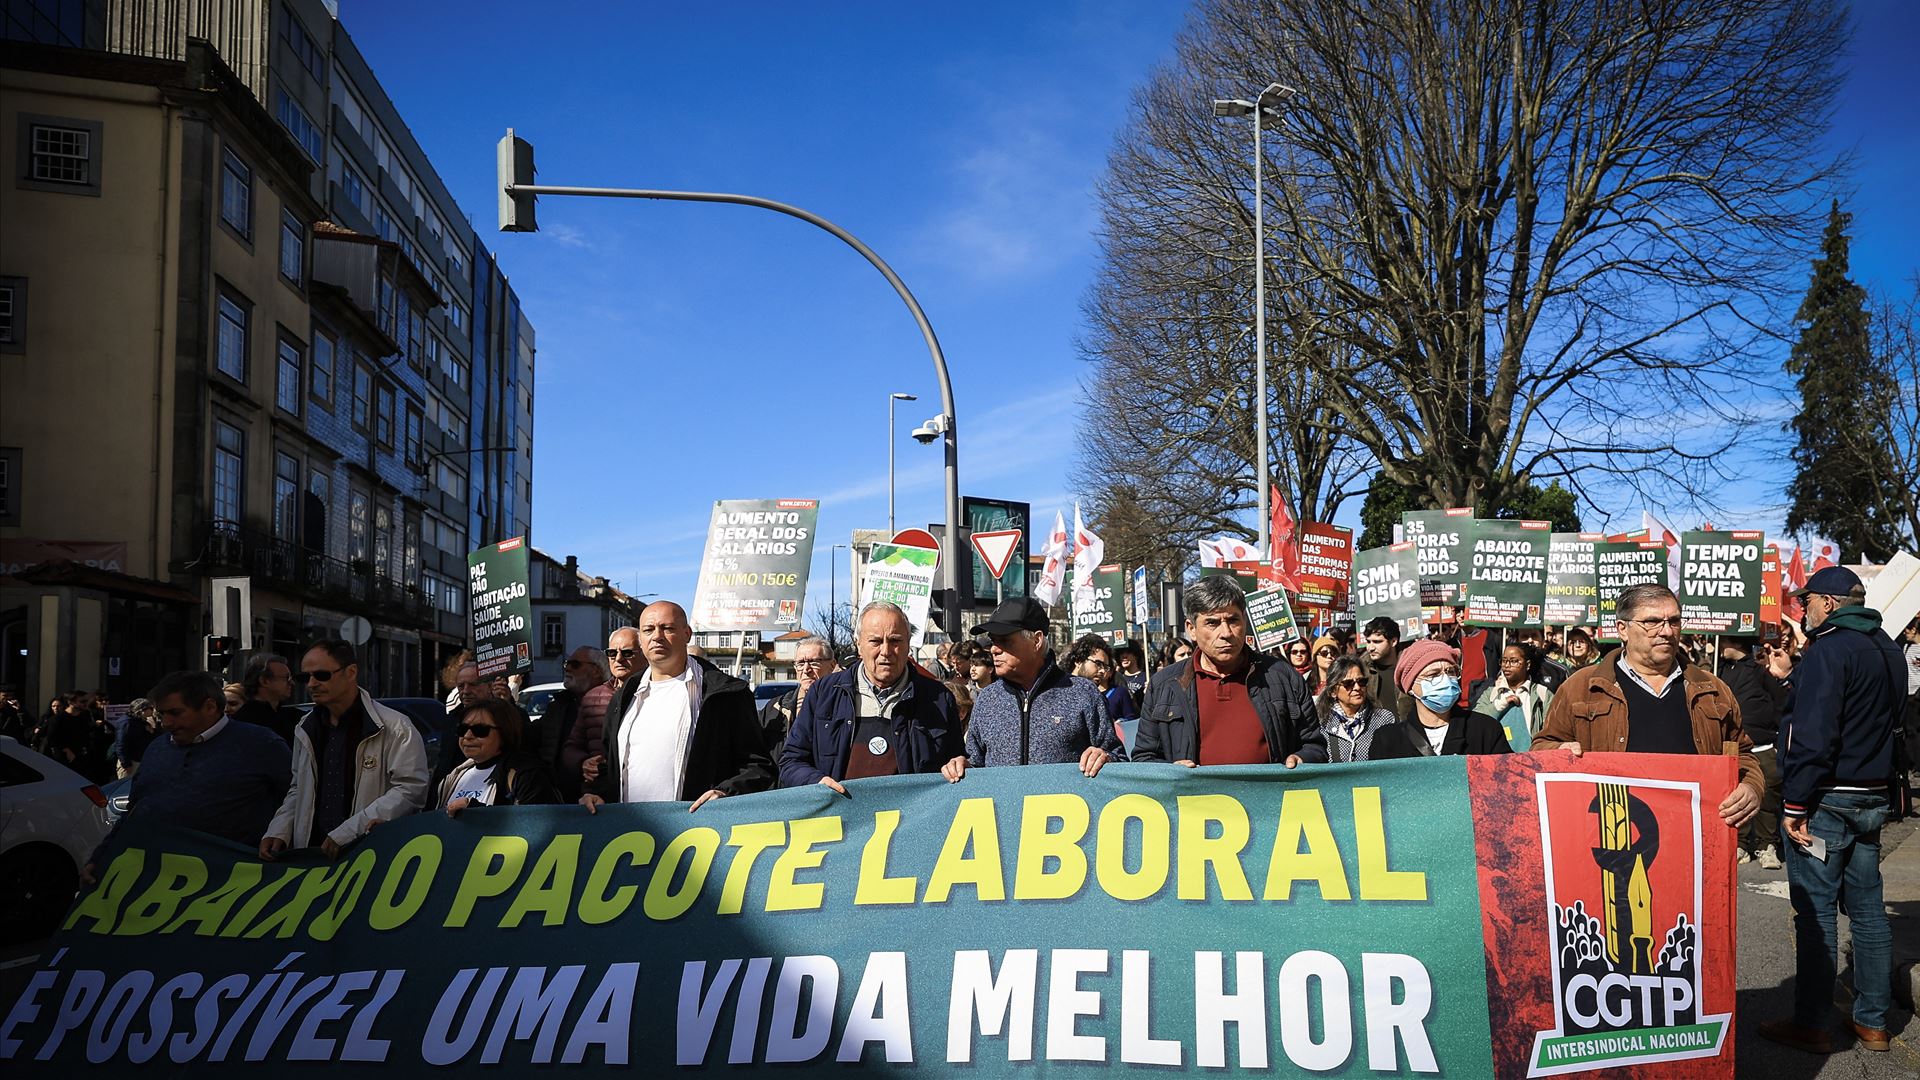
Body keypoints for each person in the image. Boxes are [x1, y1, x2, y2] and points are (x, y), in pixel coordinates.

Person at [1758, 567, 1906, 1055]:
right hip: (1872, 792)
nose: (1802, 610)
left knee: (1816, 912)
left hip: (1827, 796)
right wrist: (1792, 677)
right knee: (1867, 910)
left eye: (1806, 602)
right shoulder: (1887, 646)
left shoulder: (1831, 648)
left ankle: (1811, 1023)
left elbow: (1815, 732)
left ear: (1828, 602)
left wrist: (1795, 803)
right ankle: (1873, 1022)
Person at [1533, 583, 1763, 826]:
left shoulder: (1713, 689)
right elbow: (1541, 747)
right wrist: (1559, 752)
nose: (1667, 631)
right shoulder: (1581, 687)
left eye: (1674, 621)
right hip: (1614, 833)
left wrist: (1751, 786)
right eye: (1652, 622)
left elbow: (1743, 754)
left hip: (1695, 833)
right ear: (1622, 629)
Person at [83, 671, 291, 885]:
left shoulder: (262, 744)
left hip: (233, 883)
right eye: (162, 714)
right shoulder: (157, 748)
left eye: (175, 713)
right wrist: (103, 857)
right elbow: (134, 812)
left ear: (210, 707)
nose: (166, 723)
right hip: (160, 882)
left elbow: (295, 802)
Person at [580, 601, 773, 812]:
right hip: (629, 827)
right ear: (641, 640)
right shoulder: (624, 697)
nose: (657, 636)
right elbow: (613, 769)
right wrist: (598, 794)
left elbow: (758, 767)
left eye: (667, 628)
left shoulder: (726, 694)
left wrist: (725, 793)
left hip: (697, 827)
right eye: (648, 630)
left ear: (686, 634)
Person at [1132, 577, 1326, 768]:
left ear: (1245, 620)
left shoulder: (1284, 677)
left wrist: (1302, 759)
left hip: (1272, 790)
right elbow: (1144, 758)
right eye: (1212, 623)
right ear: (1191, 629)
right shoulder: (1164, 685)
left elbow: (1315, 747)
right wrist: (1171, 772)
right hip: (1191, 791)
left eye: (1233, 620)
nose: (1226, 633)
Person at [261, 640, 429, 860]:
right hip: (312, 857)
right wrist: (279, 830)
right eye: (304, 677)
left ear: (351, 672)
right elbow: (298, 789)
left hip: (369, 857)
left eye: (321, 675)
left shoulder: (395, 727)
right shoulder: (305, 727)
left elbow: (410, 790)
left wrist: (350, 831)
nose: (311, 684)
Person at [780, 602, 962, 790]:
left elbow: (955, 762)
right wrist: (817, 782)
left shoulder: (939, 698)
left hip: (911, 809)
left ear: (908, 643)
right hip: (840, 809)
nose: (886, 651)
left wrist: (960, 766)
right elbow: (791, 762)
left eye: (895, 641)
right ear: (859, 644)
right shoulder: (824, 694)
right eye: (876, 641)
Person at [942, 598, 1121, 781]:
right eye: (993, 641)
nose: (994, 649)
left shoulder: (1083, 693)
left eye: (1005, 641)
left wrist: (1105, 758)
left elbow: (1118, 759)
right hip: (1002, 801)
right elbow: (976, 762)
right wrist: (963, 766)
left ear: (1036, 640)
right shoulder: (987, 699)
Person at [1372, 640, 1514, 758]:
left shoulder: (1485, 729)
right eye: (1433, 674)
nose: (1445, 679)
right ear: (1410, 686)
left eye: (1450, 672)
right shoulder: (1387, 740)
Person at [1719, 636, 1787, 868]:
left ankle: (1766, 845)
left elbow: (1781, 703)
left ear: (1737, 643)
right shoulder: (1720, 671)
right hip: (1733, 748)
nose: (1721, 646)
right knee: (1736, 798)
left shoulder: (1759, 672)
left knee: (1767, 799)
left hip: (1763, 746)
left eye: (1724, 641)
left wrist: (1777, 737)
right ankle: (1740, 844)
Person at [436, 698, 563, 813]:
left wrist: (475, 812)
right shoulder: (454, 776)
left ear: (504, 732)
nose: (467, 736)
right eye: (462, 729)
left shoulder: (527, 775)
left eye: (480, 730)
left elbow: (532, 823)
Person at [564, 627, 635, 794]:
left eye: (627, 653)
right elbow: (571, 747)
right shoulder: (592, 697)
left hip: (640, 793)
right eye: (612, 653)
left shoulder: (656, 695)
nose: (618, 659)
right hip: (598, 794)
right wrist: (583, 763)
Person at [531, 646, 606, 801]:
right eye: (567, 664)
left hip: (598, 797)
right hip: (559, 799)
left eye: (575, 664)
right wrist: (507, 702)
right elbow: (529, 736)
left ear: (596, 671)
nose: (568, 669)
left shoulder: (613, 702)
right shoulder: (559, 705)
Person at [760, 635, 838, 753]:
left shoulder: (844, 706)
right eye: (800, 663)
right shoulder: (775, 708)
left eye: (813, 662)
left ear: (832, 665)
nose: (806, 670)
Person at [1316, 656, 1401, 762]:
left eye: (1361, 682)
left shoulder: (1384, 719)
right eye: (1348, 684)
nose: (1357, 688)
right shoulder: (1321, 723)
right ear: (1333, 691)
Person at [1471, 643, 1552, 751]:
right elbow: (1475, 722)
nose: (1507, 665)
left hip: (1532, 757)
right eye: (1504, 661)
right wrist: (1500, 705)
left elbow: (1552, 729)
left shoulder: (1542, 694)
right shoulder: (1491, 693)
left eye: (1513, 661)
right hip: (1496, 758)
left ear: (1527, 664)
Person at [1066, 634, 1137, 727]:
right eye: (1098, 664)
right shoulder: (1057, 692)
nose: (1102, 671)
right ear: (1079, 661)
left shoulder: (1099, 700)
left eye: (1105, 667)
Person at [234, 652, 301, 745]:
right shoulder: (245, 721)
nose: (292, 683)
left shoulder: (293, 716)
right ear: (264, 681)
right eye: (286, 678)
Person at [1360, 617, 1408, 719]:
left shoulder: (1409, 667)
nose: (1370, 648)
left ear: (1393, 641)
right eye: (1368, 642)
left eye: (1377, 642)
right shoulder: (1362, 669)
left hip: (1407, 726)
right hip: (1375, 727)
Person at [111, 698, 161, 778]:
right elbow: (121, 745)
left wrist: (152, 731)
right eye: (151, 708)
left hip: (141, 760)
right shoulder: (126, 723)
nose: (153, 711)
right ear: (142, 710)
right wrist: (126, 764)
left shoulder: (141, 721)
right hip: (131, 762)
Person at [1114, 640, 1148, 706]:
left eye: (1128, 653)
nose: (1124, 656)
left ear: (1136, 655)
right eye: (1121, 653)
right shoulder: (1117, 678)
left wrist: (1150, 693)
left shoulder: (1147, 677)